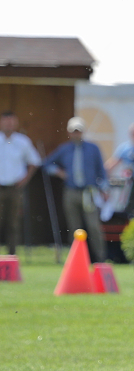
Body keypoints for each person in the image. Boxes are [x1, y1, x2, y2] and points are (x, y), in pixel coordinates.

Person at [44, 117, 109, 262]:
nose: (76, 134)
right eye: (74, 131)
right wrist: (59, 172)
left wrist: (104, 189)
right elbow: (47, 164)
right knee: (74, 227)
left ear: (83, 132)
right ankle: (76, 260)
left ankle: (100, 258)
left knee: (93, 226)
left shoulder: (93, 148)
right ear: (69, 132)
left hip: (89, 192)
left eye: (78, 131)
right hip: (71, 191)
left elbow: (101, 171)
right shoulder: (64, 149)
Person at [0, 112, 41, 255]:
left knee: (13, 223)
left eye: (11, 121)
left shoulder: (23, 141)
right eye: (6, 121)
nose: (8, 124)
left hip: (14, 188)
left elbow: (34, 162)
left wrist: (25, 179)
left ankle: (11, 257)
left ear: (16, 123)